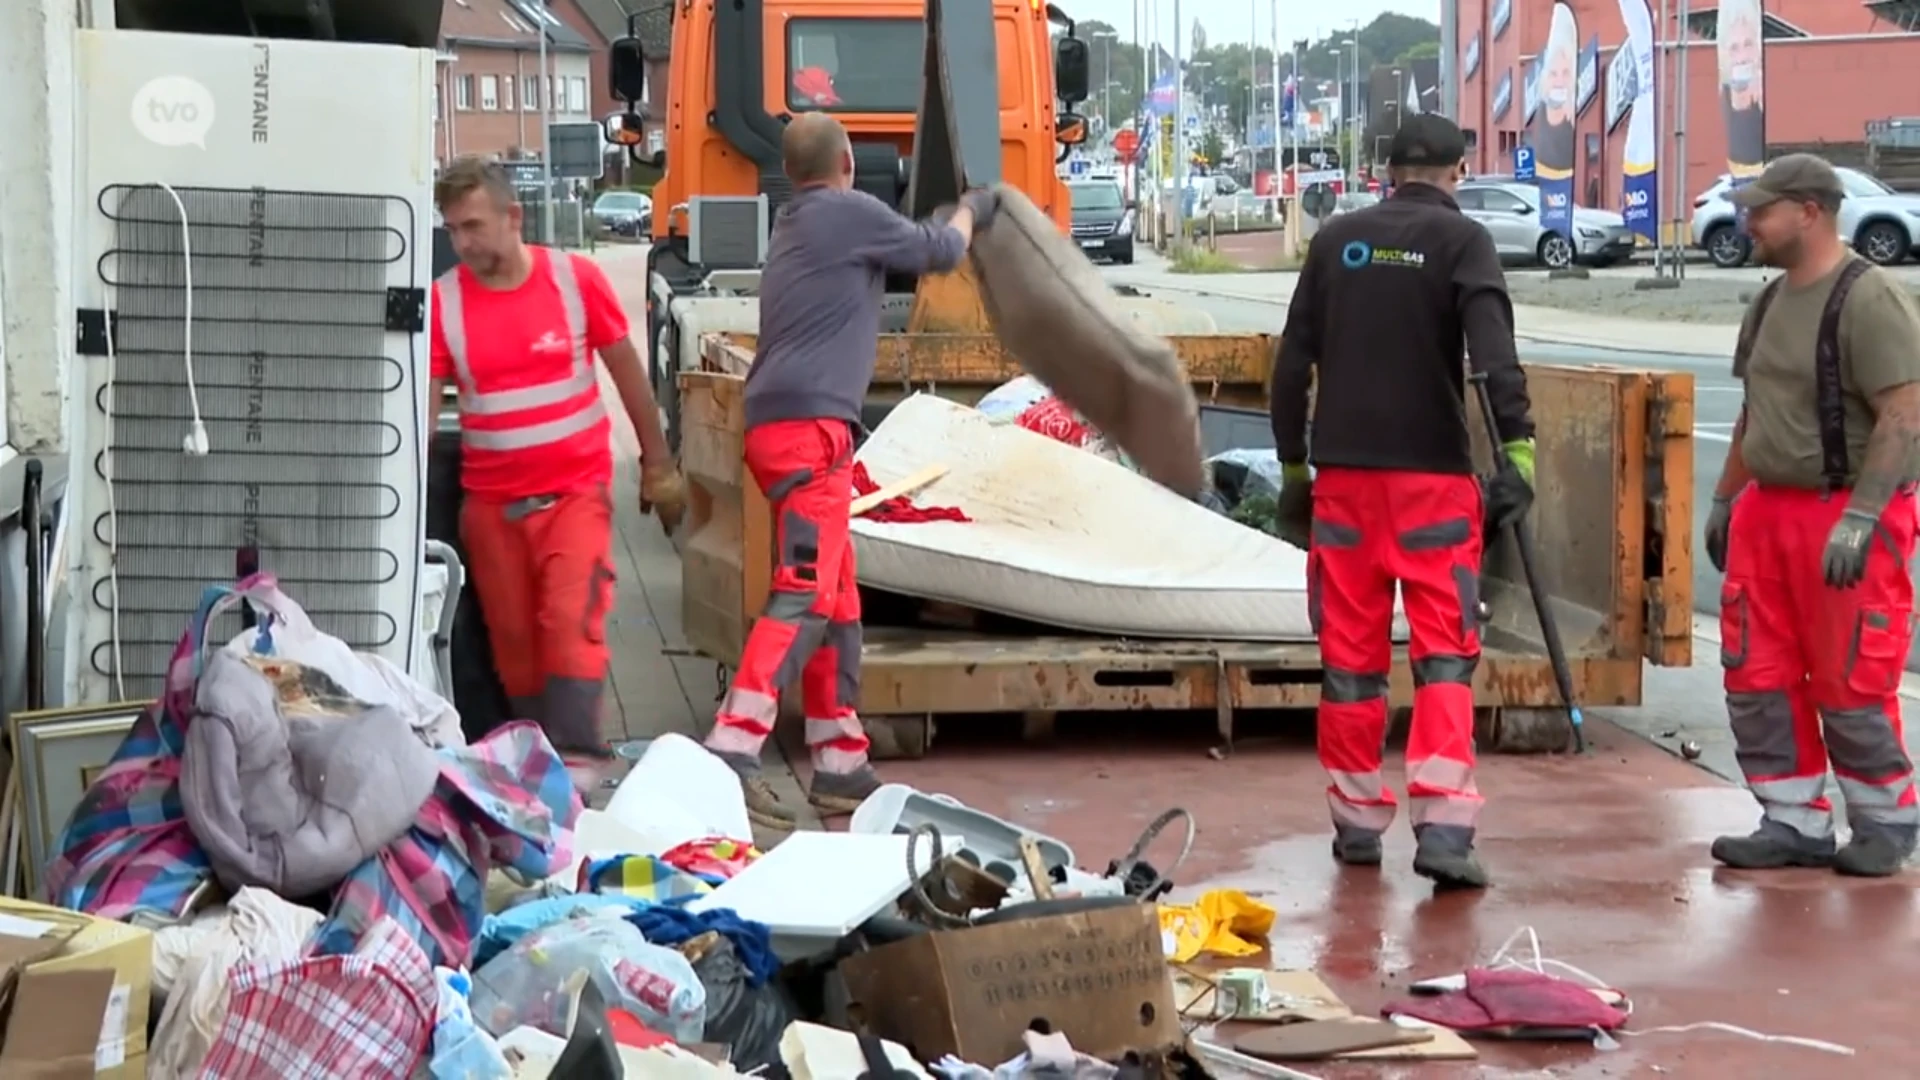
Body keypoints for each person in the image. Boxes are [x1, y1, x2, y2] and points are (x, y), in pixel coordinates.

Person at [703, 113, 995, 829]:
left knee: (838, 601)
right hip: (810, 436)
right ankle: (731, 750)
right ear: (846, 165)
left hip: (790, 428)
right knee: (804, 592)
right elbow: (941, 252)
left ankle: (838, 759)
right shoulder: (846, 212)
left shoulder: (800, 222)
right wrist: (974, 207)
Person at [1271, 113, 1535, 890]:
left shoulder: (1335, 241)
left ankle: (1356, 824)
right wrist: (1516, 452)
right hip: (1433, 486)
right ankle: (1445, 829)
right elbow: (1494, 359)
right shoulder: (1463, 244)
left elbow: (1291, 366)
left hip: (1345, 483)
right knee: (1444, 657)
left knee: (1350, 663)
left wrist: (1294, 471)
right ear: (1457, 170)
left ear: (1388, 169)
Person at [430, 155, 684, 792]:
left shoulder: (575, 281)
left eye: (473, 226)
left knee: (570, 623)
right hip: (491, 508)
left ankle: (579, 755)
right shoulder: (446, 304)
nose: (462, 242)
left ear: (514, 218)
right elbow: (424, 411)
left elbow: (628, 370)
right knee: (516, 648)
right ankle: (536, 761)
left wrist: (657, 464)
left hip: (574, 493)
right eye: (453, 229)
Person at [1702, 154, 1920, 877]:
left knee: (1851, 674)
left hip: (1845, 510)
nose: (1746, 222)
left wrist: (1862, 516)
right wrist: (1726, 498)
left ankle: (1886, 820)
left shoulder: (1870, 298)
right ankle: (1792, 819)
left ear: (1809, 212)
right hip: (1769, 514)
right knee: (1755, 673)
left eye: (1761, 210)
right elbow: (1752, 411)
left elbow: (1904, 412)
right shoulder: (1768, 302)